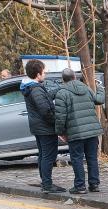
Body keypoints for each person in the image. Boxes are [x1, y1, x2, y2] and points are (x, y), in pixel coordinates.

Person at [54, 67, 105, 194]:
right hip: (92, 131)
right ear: (74, 77)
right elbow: (99, 100)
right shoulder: (86, 89)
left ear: (63, 79)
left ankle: (80, 186)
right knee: (92, 158)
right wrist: (100, 88)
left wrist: (60, 132)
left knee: (77, 159)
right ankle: (94, 185)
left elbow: (60, 116)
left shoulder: (62, 93)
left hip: (75, 132)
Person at [21, 59, 65, 194]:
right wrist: (56, 124)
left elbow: (44, 98)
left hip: (38, 127)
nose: (45, 74)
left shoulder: (32, 87)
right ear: (38, 74)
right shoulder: (35, 89)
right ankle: (47, 184)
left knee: (43, 155)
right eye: (44, 71)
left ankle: (45, 181)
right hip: (45, 128)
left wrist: (58, 89)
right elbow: (45, 110)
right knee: (48, 156)